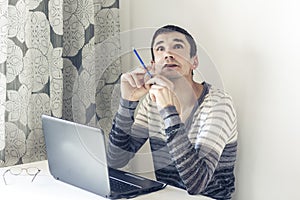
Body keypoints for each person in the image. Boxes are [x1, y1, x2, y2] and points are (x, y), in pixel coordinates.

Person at [107, 25, 238, 200]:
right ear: (153, 65)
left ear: (194, 62)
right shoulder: (151, 103)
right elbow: (116, 160)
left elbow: (197, 184)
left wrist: (168, 112)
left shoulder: (218, 104)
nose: (168, 54)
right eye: (160, 49)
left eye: (177, 46)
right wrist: (127, 102)